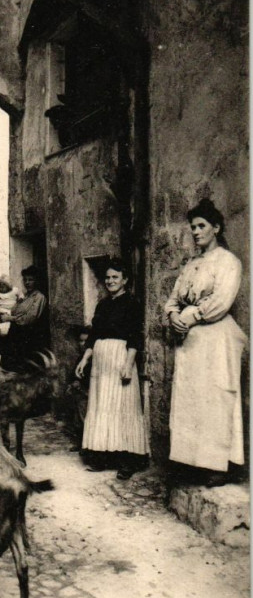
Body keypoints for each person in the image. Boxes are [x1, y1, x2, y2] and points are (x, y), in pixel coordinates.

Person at [164, 198, 247, 488]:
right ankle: (192, 462)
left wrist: (193, 315)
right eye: (193, 227)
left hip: (216, 339)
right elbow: (173, 299)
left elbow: (222, 301)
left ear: (216, 228)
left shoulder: (228, 262)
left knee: (215, 400)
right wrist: (173, 315)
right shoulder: (191, 265)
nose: (196, 232)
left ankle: (218, 465)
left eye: (201, 226)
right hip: (190, 344)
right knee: (191, 401)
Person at [76, 258, 149, 480]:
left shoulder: (132, 304)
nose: (110, 281)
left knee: (123, 407)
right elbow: (94, 335)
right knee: (103, 405)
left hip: (120, 358)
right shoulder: (103, 304)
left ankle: (128, 461)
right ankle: (103, 456)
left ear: (125, 280)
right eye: (107, 277)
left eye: (115, 277)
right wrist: (85, 359)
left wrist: (128, 364)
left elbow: (135, 337)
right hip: (101, 362)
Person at [0, 265, 48, 371]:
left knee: (24, 368)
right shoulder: (24, 296)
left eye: (30, 280)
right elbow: (14, 310)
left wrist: (10, 318)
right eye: (25, 280)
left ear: (36, 281)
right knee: (9, 368)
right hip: (15, 335)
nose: (27, 283)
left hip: (28, 337)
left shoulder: (39, 297)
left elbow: (30, 318)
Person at [66, 326, 89, 453]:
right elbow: (73, 374)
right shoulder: (81, 358)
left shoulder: (91, 359)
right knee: (77, 420)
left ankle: (86, 446)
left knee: (84, 419)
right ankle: (80, 443)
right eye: (80, 341)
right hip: (79, 394)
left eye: (85, 341)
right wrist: (73, 383)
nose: (82, 344)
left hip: (86, 393)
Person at [0, 274, 21, 348]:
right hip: (1, 309)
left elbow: (20, 295)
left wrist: (20, 299)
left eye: (3, 286)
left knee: (7, 324)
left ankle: (4, 332)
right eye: (0, 286)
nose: (2, 288)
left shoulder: (14, 290)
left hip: (11, 310)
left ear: (8, 285)